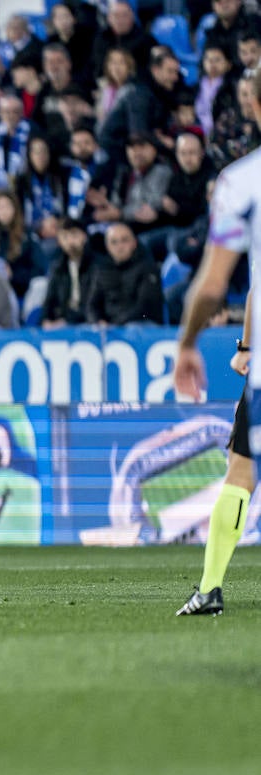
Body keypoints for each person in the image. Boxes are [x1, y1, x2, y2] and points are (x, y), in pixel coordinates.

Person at [175, 68, 261, 616]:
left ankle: (209, 589)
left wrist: (188, 343)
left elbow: (215, 286)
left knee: (242, 470)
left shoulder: (242, 181)